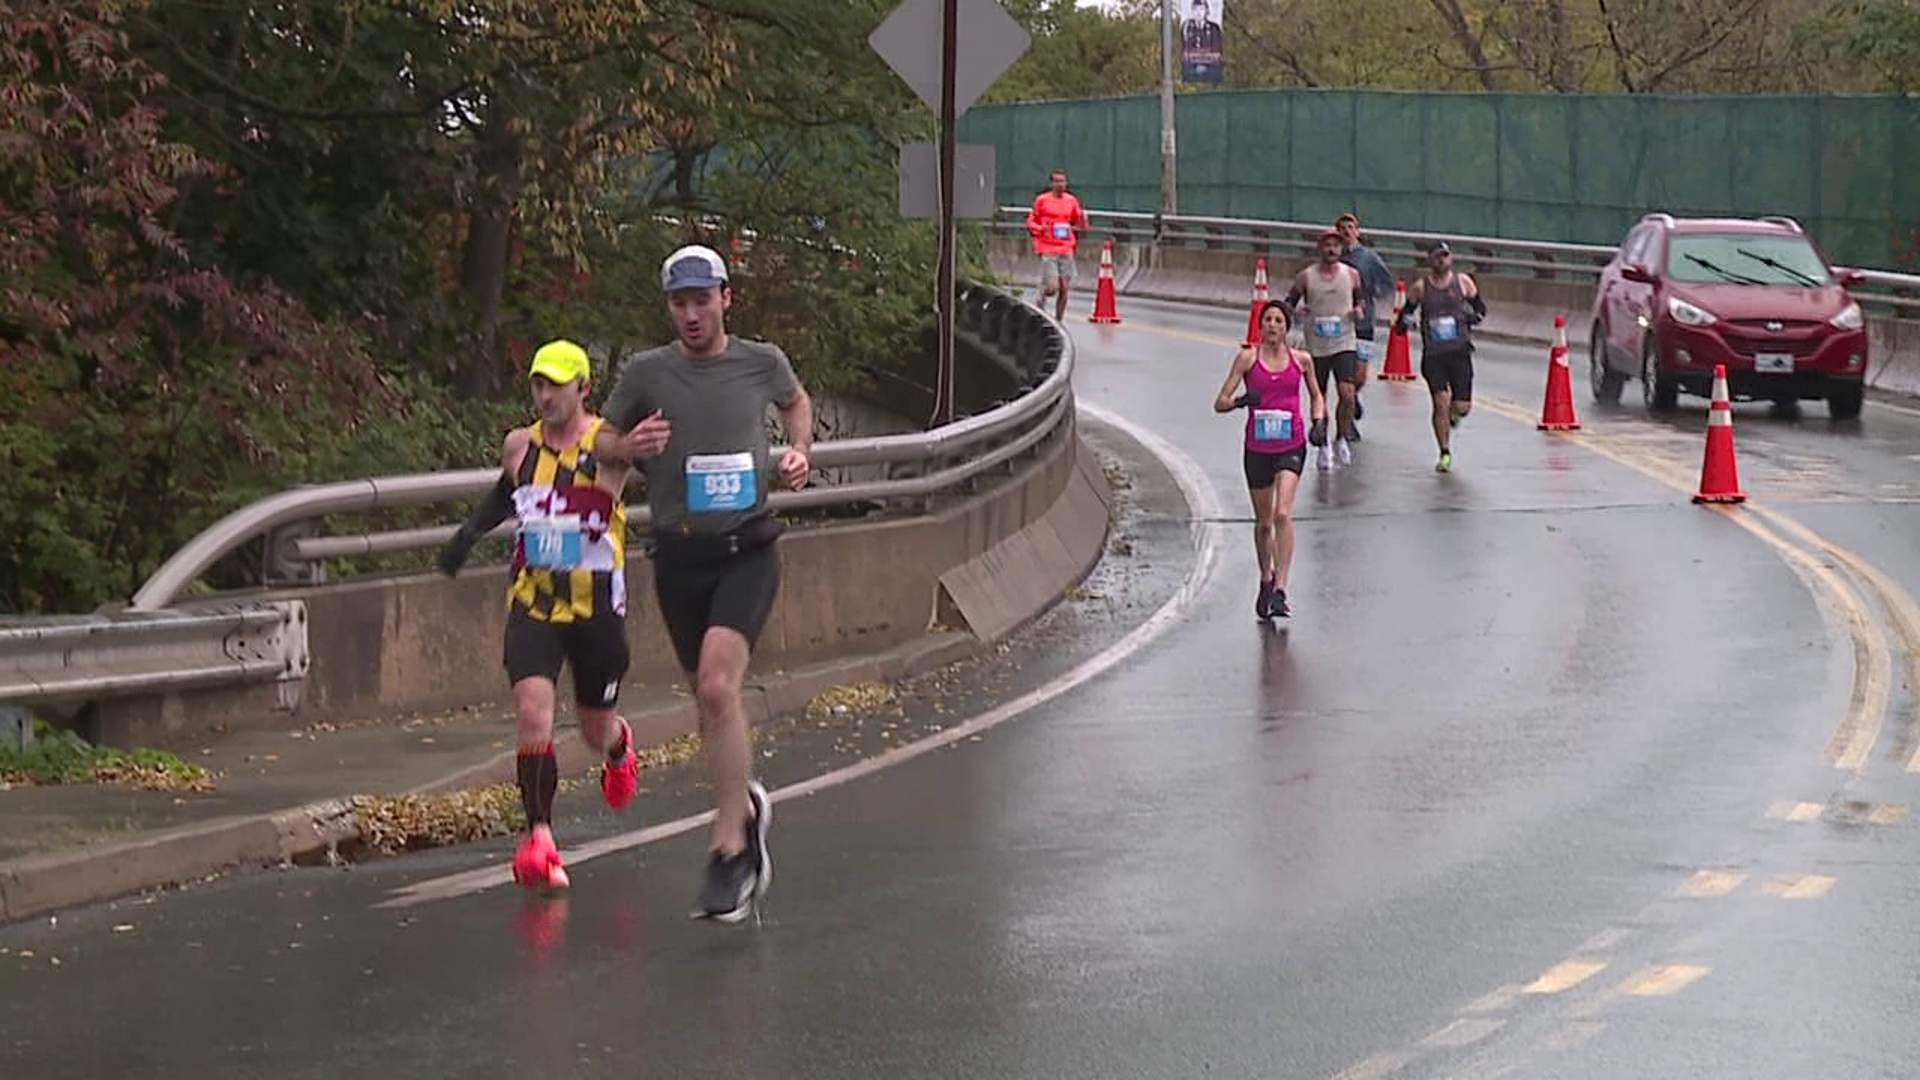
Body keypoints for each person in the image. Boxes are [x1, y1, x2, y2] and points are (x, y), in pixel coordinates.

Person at [597, 243, 813, 923]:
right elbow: (601, 439)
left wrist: (800, 448)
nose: (691, 314)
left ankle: (729, 847)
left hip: (747, 547)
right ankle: (744, 804)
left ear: (726, 299)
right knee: (708, 701)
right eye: (679, 303)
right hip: (679, 556)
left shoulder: (760, 361)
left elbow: (796, 401)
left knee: (720, 685)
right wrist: (627, 449)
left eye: (702, 300)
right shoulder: (647, 373)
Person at [437, 338, 641, 891]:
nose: (546, 395)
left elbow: (649, 457)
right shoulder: (518, 446)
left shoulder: (609, 444)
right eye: (538, 383)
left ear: (583, 388)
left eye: (557, 384)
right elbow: (506, 494)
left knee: (596, 729)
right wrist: (468, 535)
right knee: (533, 713)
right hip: (535, 601)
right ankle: (539, 837)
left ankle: (620, 748)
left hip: (595, 605)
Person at [1214, 300, 1327, 620]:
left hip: (1291, 445)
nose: (1273, 325)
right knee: (1264, 524)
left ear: (1287, 327)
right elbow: (1219, 403)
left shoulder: (1301, 361)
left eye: (1279, 320)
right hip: (1257, 450)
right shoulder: (1247, 359)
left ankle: (1281, 589)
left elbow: (1317, 395)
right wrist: (1240, 401)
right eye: (1268, 320)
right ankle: (1266, 578)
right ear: (1260, 326)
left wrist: (1319, 422)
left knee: (1282, 513)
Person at [1396, 242, 1487, 473]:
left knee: (1462, 407)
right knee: (1440, 402)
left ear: (1451, 259)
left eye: (1445, 256)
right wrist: (1404, 324)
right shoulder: (1421, 288)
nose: (1441, 260)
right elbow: (1404, 317)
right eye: (1437, 256)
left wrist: (1472, 317)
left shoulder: (1463, 282)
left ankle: (1455, 415)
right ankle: (1444, 451)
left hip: (1459, 352)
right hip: (1434, 355)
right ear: (1430, 260)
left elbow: (1481, 309)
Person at [1283, 230, 1364, 470]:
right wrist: (1295, 313)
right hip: (1316, 347)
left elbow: (1362, 300)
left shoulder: (1352, 275)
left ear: (1341, 249)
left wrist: (1359, 310)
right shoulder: (1306, 277)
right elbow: (1289, 303)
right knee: (1320, 398)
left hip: (1344, 342)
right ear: (1320, 248)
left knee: (1347, 393)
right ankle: (1324, 443)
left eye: (1336, 246)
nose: (1331, 250)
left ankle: (1341, 437)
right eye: (1327, 245)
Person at [1334, 213, 1396, 439]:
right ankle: (1347, 421)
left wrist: (1374, 297)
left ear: (1357, 231)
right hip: (1339, 326)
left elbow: (1387, 283)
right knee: (1344, 379)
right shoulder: (1333, 258)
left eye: (1350, 227)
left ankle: (1353, 398)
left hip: (1363, 324)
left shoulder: (1369, 258)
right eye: (1342, 228)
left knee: (1358, 377)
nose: (1346, 232)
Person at [1025, 169, 1090, 322]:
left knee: (1065, 288)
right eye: (1057, 181)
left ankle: (1058, 321)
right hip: (1048, 247)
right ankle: (1042, 293)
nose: (1060, 184)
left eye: (1063, 181)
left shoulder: (1071, 201)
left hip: (1066, 247)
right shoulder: (1042, 200)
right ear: (1051, 183)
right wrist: (1041, 229)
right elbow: (1031, 221)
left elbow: (1079, 224)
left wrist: (1084, 219)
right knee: (1053, 287)